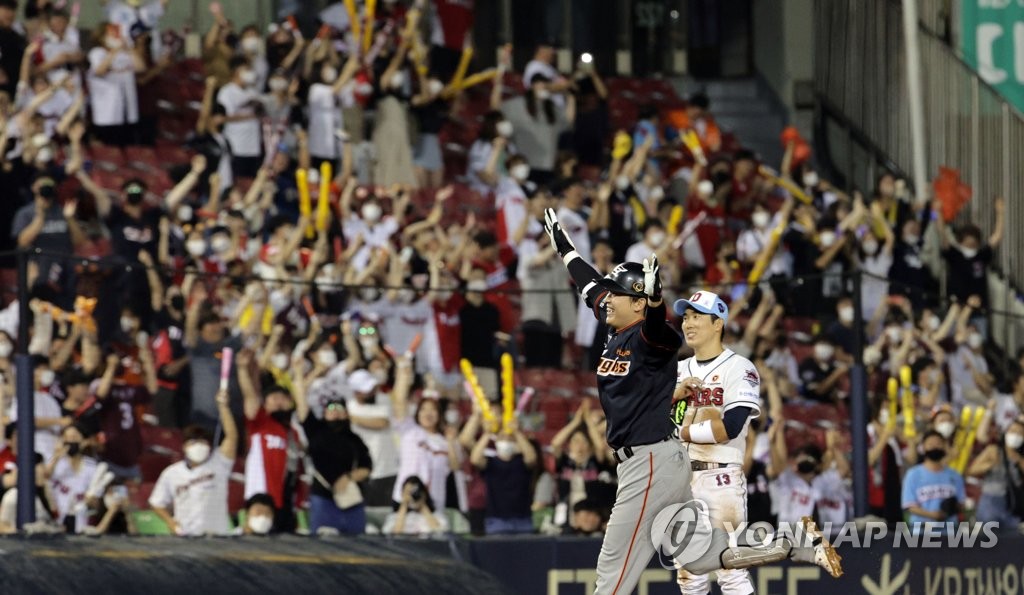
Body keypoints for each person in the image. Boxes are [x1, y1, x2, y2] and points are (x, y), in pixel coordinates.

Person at [543, 208, 842, 593]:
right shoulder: (616, 321)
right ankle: (795, 546)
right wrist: (565, 248)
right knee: (700, 556)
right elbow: (589, 285)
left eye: (616, 294)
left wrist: (655, 303)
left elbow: (658, 327)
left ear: (637, 302)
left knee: (610, 574)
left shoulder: (654, 340)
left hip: (649, 462)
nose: (607, 300)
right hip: (665, 461)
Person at [672, 290, 761, 595]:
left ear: (717, 323)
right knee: (689, 575)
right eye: (685, 317)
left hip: (718, 476)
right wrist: (672, 396)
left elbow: (731, 428)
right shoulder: (678, 370)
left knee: (730, 572)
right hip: (682, 478)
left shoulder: (740, 367)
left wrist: (681, 433)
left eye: (696, 316)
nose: (688, 323)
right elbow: (655, 420)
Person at [148, 388, 238, 536]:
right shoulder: (172, 473)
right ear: (184, 447)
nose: (198, 446)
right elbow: (156, 502)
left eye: (203, 442)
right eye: (193, 442)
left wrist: (223, 408)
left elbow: (232, 437)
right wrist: (171, 522)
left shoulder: (219, 463)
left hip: (217, 536)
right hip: (187, 536)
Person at [294, 374, 372, 535]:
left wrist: (348, 478)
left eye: (339, 409)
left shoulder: (355, 439)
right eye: (330, 409)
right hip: (322, 497)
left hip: (350, 499)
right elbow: (302, 405)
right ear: (324, 413)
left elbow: (367, 467)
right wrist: (299, 373)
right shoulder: (316, 430)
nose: (335, 412)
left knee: (358, 543)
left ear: (346, 414)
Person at [901, 430, 964, 534]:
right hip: (921, 532)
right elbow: (909, 506)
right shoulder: (913, 474)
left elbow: (961, 504)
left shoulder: (955, 475)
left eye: (938, 444)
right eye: (930, 444)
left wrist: (952, 508)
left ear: (945, 447)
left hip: (949, 533)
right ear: (923, 447)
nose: (935, 447)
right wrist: (932, 515)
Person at [967, 417, 1024, 530]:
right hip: (991, 501)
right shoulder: (993, 450)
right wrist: (989, 465)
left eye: (1020, 433)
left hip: (1012, 505)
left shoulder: (1020, 458)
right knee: (989, 541)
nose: (1016, 435)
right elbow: (971, 470)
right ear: (1005, 433)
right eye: (1013, 431)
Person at [383, 475, 449, 535]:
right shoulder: (394, 517)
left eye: (415, 492)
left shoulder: (437, 516)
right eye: (408, 493)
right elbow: (393, 536)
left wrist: (423, 506)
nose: (412, 496)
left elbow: (441, 533)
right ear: (402, 494)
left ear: (424, 494)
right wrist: (404, 505)